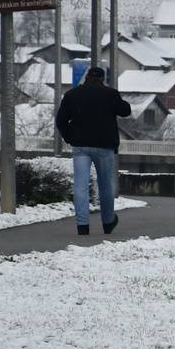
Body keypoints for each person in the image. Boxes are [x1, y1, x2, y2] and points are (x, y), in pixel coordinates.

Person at [55, 65, 131, 236]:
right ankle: (108, 222)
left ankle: (83, 226)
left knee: (81, 186)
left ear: (87, 77)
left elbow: (60, 121)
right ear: (102, 79)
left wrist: (70, 137)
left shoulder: (72, 95)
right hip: (104, 147)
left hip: (80, 146)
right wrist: (116, 99)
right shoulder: (110, 94)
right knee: (105, 186)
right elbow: (125, 111)